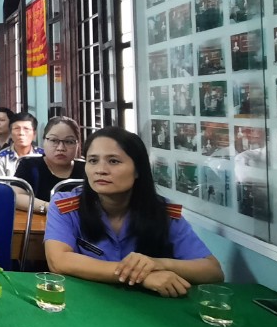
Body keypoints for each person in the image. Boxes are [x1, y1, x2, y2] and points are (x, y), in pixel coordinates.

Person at [44, 127, 224, 297]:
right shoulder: (65, 206)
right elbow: (59, 261)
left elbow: (213, 271)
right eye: (93, 161)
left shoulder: (163, 213)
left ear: (138, 170)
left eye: (113, 161)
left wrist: (157, 264)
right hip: (88, 302)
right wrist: (140, 277)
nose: (100, 170)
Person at [14, 116, 87, 212]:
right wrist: (49, 207)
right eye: (54, 140)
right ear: (43, 141)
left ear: (78, 144)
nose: (61, 148)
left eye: (69, 142)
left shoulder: (86, 169)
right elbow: (16, 196)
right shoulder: (30, 165)